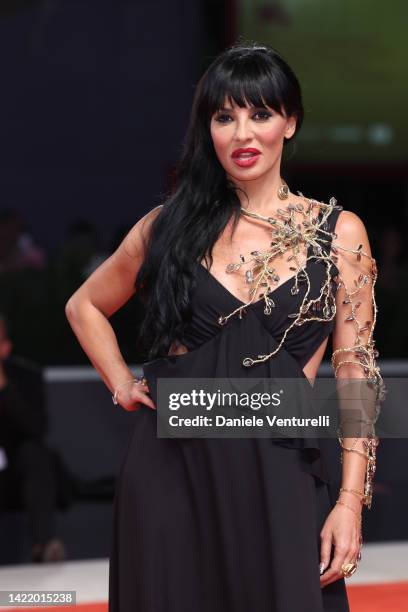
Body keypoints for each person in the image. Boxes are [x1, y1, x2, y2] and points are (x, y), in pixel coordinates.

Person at [65, 43, 385, 611]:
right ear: (207, 128)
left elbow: (357, 372)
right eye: (224, 116)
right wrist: (122, 383)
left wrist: (349, 502)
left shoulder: (338, 234)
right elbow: (84, 306)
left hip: (280, 474)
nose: (242, 133)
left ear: (290, 122)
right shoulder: (168, 226)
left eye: (260, 113)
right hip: (170, 474)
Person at [0, 312, 66, 563]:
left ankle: (43, 544)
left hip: (11, 477)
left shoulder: (25, 376)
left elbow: (36, 428)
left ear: (5, 347)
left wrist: (4, 388)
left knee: (36, 454)